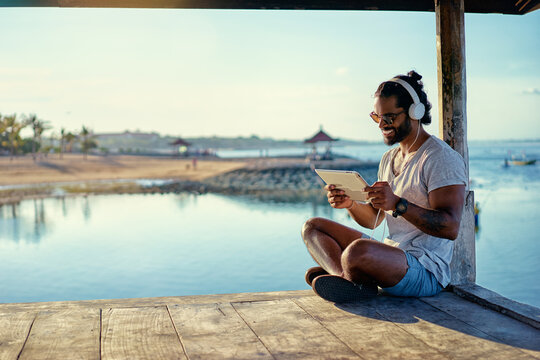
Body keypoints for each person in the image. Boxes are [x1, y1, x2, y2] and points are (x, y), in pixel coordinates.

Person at [301, 70, 467, 303]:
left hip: (425, 270)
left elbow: (450, 228)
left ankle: (347, 274)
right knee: (313, 227)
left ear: (415, 112)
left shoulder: (440, 158)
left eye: (389, 117)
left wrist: (399, 204)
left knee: (357, 252)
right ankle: (345, 278)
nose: (382, 125)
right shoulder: (389, 158)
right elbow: (373, 220)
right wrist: (350, 204)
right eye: (377, 117)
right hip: (390, 255)